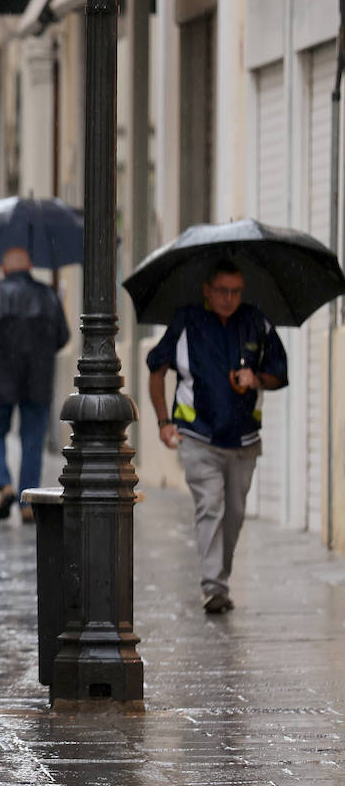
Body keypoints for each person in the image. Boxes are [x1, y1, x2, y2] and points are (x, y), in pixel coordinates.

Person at [147, 261, 288, 614]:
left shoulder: (256, 321)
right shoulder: (186, 321)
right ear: (207, 290)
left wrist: (255, 378)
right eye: (223, 291)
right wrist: (164, 421)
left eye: (236, 291)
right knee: (210, 505)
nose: (230, 298)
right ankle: (214, 586)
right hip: (198, 436)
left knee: (235, 513)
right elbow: (157, 369)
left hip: (244, 441)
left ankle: (219, 577)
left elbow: (279, 373)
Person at [0, 246, 71, 523]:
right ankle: (27, 501)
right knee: (33, 439)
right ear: (30, 266)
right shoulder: (48, 295)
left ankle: (4, 484)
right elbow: (63, 336)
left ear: (4, 268)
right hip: (37, 379)